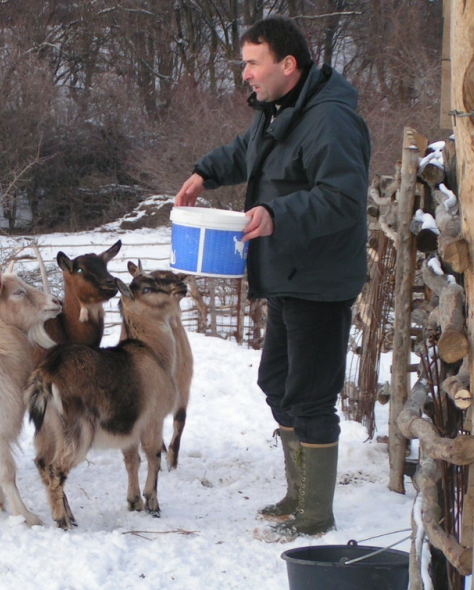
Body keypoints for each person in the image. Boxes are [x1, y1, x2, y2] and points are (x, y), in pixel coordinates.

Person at [175, 16, 370, 542]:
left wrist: (279, 215)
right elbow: (246, 153)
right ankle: (297, 494)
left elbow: (343, 199)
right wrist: (205, 172)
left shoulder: (330, 121)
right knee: (276, 384)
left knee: (309, 396)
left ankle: (314, 512)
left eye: (253, 63)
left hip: (320, 278)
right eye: (245, 63)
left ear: (288, 64)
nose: (246, 75)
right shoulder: (278, 111)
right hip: (286, 271)